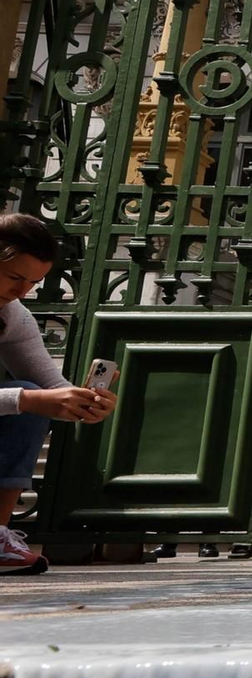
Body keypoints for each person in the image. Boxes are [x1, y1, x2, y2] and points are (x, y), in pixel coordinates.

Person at [0, 214, 117, 575]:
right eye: (15, 278)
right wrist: (29, 400)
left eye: (33, 282)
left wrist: (79, 402)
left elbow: (52, 387)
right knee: (27, 398)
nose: (23, 292)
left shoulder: (13, 315)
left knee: (32, 397)